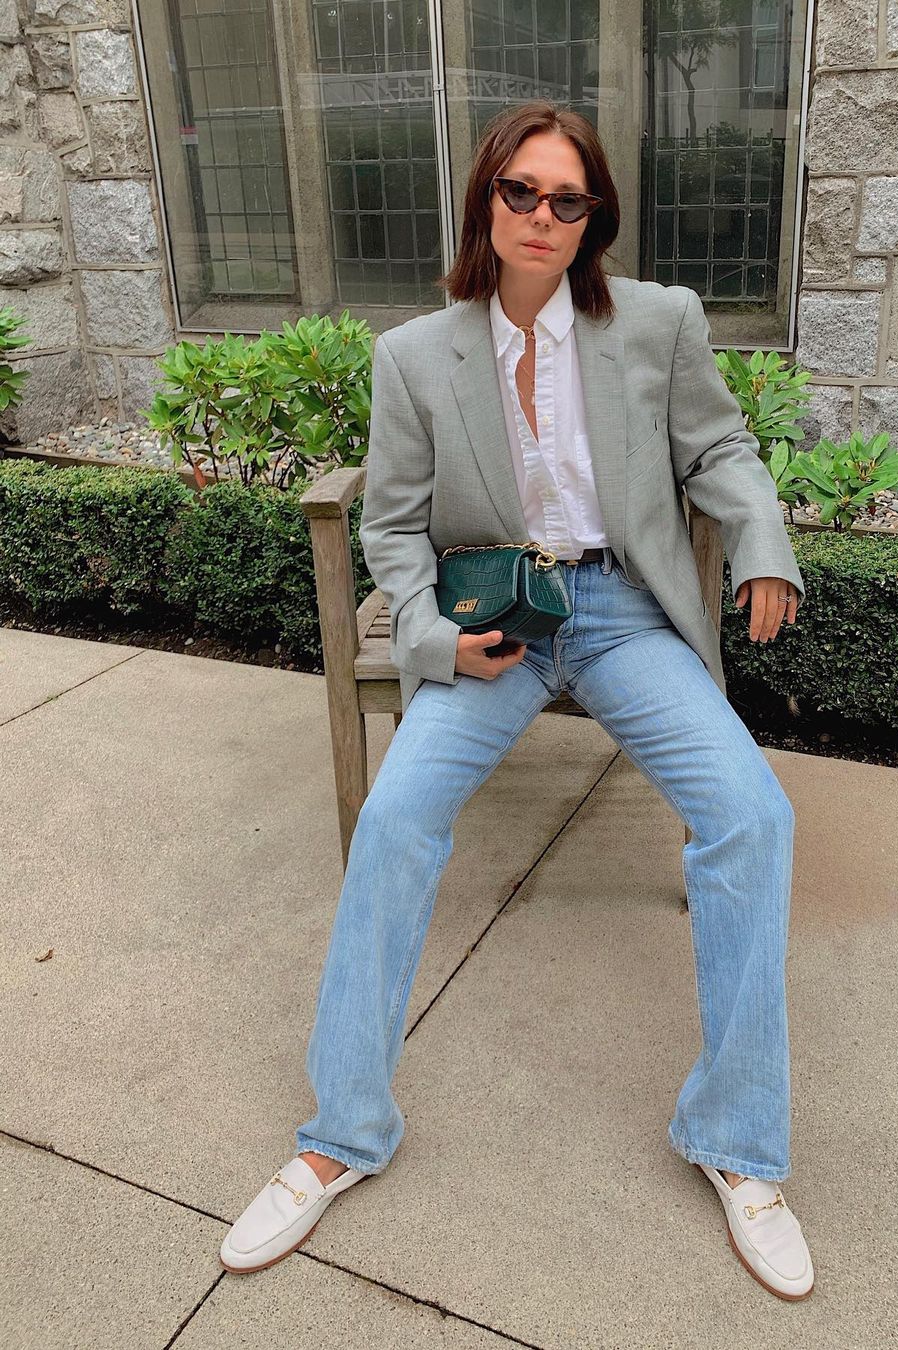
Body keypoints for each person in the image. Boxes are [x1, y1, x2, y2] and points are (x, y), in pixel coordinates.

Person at [220, 100, 813, 1301]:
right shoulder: (415, 355)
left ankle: (738, 1145)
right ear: (485, 198)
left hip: (625, 616)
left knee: (752, 817)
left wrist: (762, 541)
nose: (542, 216)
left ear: (594, 216)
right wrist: (435, 638)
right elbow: (389, 522)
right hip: (495, 628)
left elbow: (719, 450)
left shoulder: (658, 322)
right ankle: (342, 1132)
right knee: (393, 825)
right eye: (521, 193)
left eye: (569, 199)